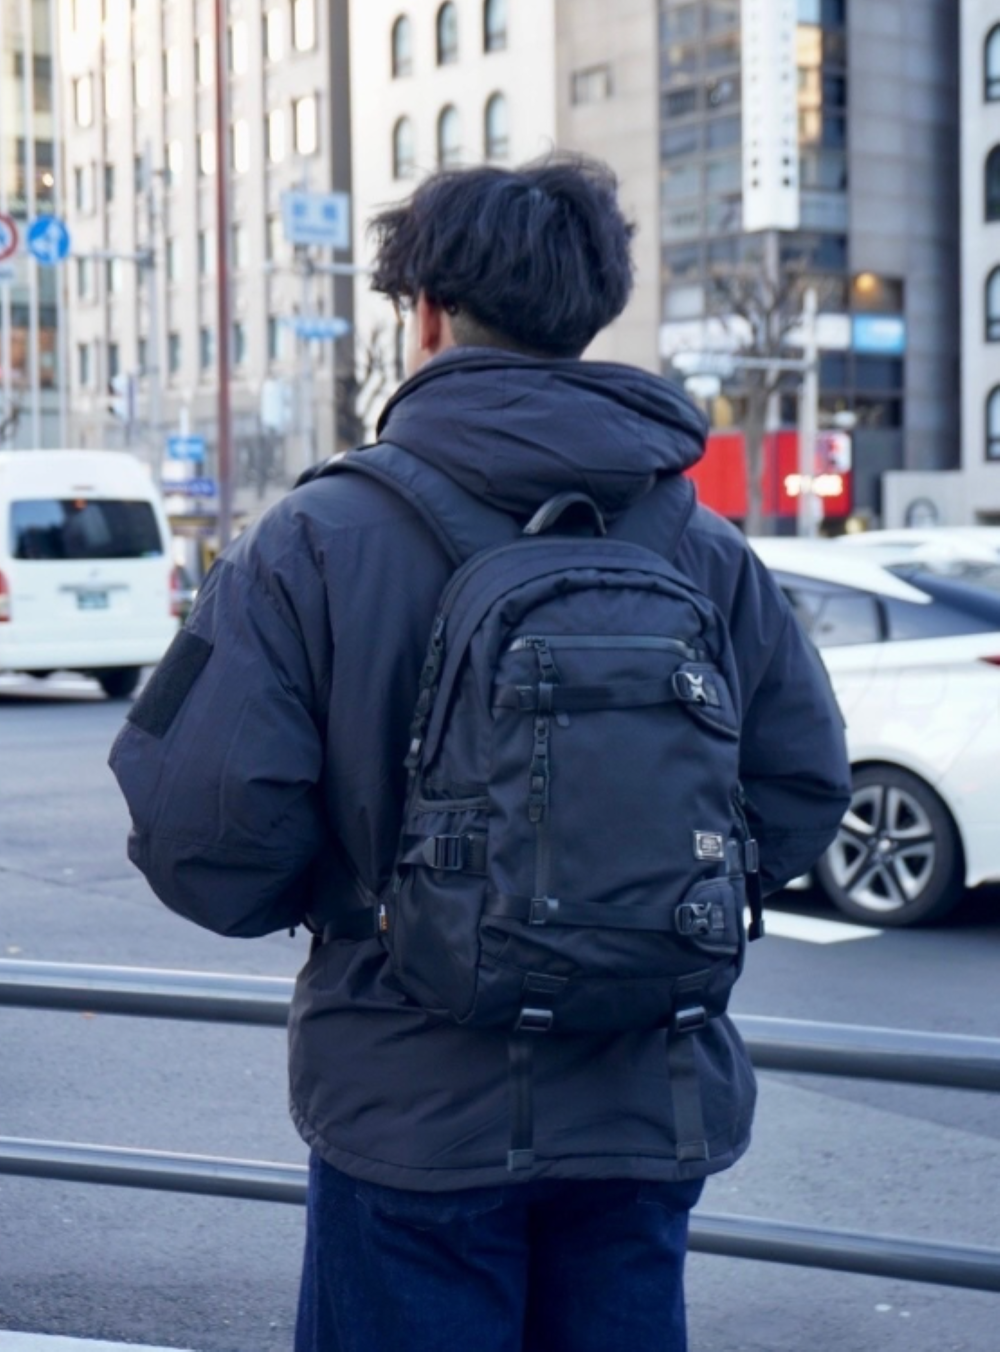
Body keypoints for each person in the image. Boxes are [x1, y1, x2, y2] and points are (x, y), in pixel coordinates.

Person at [110, 155, 851, 1352]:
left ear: (427, 314)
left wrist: (379, 900)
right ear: (588, 313)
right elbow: (805, 790)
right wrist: (641, 897)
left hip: (407, 1103)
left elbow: (203, 830)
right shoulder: (702, 546)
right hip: (647, 1095)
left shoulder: (316, 536)